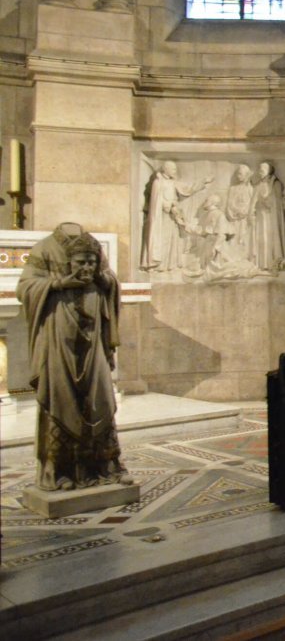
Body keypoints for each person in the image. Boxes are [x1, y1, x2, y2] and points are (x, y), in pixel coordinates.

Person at [17, 223, 130, 490]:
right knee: (61, 399)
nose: (87, 267)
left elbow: (110, 280)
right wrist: (58, 284)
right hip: (59, 338)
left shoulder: (94, 247)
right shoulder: (44, 248)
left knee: (99, 399)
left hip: (93, 340)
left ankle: (106, 466)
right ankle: (60, 471)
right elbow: (25, 288)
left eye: (90, 262)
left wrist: (103, 280)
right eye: (82, 262)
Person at [141, 160, 212, 271]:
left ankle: (169, 265)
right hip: (162, 217)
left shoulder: (173, 182)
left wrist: (203, 181)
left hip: (172, 217)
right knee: (162, 240)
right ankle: (158, 265)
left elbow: (187, 189)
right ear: (166, 169)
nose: (175, 170)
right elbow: (156, 201)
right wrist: (169, 206)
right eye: (173, 169)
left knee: (172, 239)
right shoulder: (158, 182)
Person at [251, 161, 285, 271]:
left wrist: (267, 203)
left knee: (271, 238)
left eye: (262, 170)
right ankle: (262, 263)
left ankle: (272, 262)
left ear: (268, 171)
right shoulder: (258, 184)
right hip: (260, 216)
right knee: (261, 238)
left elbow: (277, 201)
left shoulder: (276, 184)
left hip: (271, 217)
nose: (259, 172)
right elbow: (254, 199)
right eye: (259, 170)